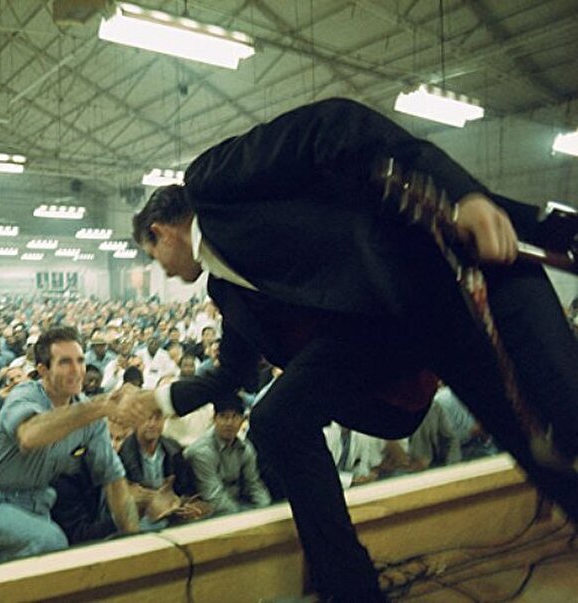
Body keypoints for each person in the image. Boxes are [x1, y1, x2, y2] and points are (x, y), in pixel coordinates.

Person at [123, 97, 578, 601]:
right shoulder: (224, 290)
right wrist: (160, 402)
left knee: (550, 433)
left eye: (154, 255)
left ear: (161, 231)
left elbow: (332, 123)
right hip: (382, 341)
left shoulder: (213, 182)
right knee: (277, 418)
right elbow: (232, 373)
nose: (161, 271)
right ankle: (351, 588)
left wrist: (460, 194)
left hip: (438, 273)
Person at [0, 326, 138, 562]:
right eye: (65, 362)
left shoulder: (89, 414)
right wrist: (101, 406)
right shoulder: (24, 395)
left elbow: (113, 478)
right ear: (43, 370)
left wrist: (136, 542)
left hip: (40, 505)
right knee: (52, 543)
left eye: (80, 360)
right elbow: (30, 436)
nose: (77, 371)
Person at [183, 396, 271, 515]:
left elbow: (254, 484)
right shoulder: (202, 451)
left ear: (242, 420)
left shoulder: (245, 448)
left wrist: (267, 509)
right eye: (224, 417)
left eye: (235, 417)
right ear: (214, 419)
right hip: (207, 511)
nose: (229, 423)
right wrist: (242, 518)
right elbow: (214, 496)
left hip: (237, 505)